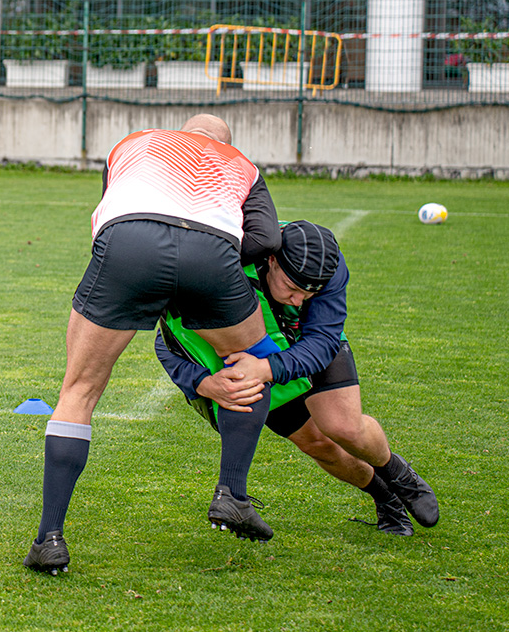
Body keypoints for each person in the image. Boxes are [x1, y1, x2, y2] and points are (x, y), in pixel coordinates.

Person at [25, 114, 284, 575]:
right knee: (253, 362)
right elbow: (266, 239)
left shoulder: (132, 142)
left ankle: (50, 539)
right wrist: (204, 273)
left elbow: (108, 213)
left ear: (180, 130)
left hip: (129, 244)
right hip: (211, 253)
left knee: (79, 390)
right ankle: (232, 493)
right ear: (227, 142)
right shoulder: (241, 164)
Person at [156, 220, 438, 536]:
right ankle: (386, 499)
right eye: (291, 289)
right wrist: (202, 383)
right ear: (271, 261)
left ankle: (398, 473)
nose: (298, 301)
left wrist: (267, 368)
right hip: (259, 354)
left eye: (309, 293)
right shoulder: (223, 265)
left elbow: (323, 340)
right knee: (318, 444)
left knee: (343, 426)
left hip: (307, 345)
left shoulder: (329, 265)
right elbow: (168, 337)